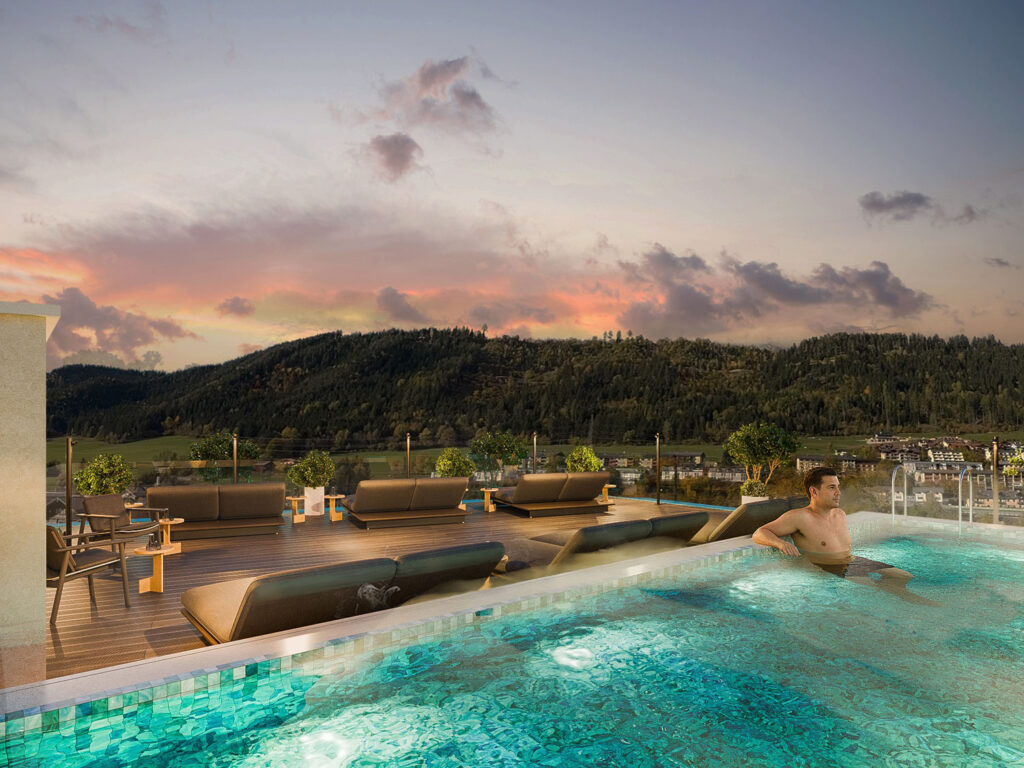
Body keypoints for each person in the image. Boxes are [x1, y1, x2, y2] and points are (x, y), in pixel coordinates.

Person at [752, 467, 934, 603]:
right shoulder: (799, 517)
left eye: (838, 487)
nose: (838, 492)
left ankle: (898, 596)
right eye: (832, 487)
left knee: (904, 576)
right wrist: (781, 543)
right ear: (814, 491)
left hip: (852, 561)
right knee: (874, 590)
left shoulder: (840, 514)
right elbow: (760, 533)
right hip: (830, 568)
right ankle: (901, 599)